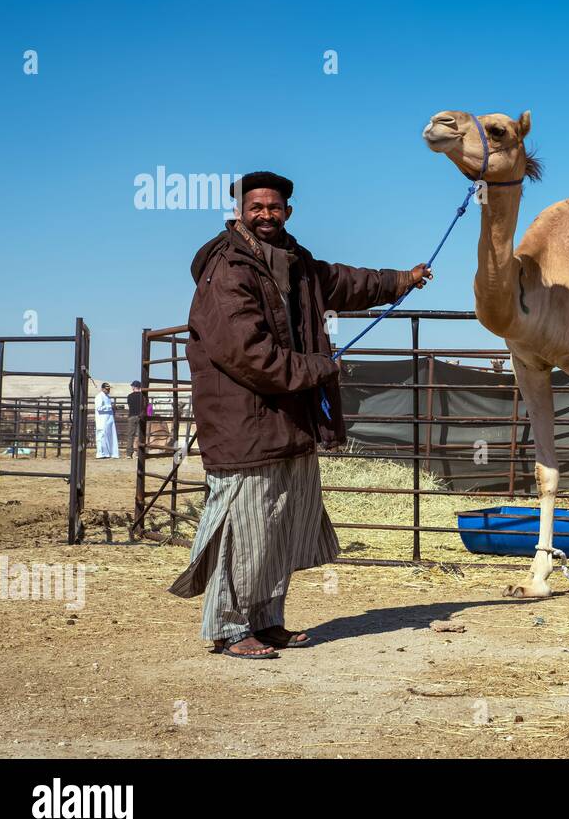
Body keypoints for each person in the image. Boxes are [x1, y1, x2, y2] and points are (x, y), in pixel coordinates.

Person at [169, 171, 432, 660]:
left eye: (274, 207)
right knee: (244, 527)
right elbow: (248, 354)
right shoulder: (227, 270)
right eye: (257, 207)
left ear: (288, 212)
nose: (266, 214)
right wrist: (319, 367)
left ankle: (266, 621)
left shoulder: (297, 262)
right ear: (240, 212)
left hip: (287, 418)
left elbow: (347, 282)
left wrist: (402, 280)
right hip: (243, 422)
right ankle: (229, 628)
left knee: (278, 527)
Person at [94, 383, 119, 459]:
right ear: (102, 389)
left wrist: (113, 408)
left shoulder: (107, 397)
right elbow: (99, 408)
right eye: (107, 389)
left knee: (108, 436)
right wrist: (110, 407)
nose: (108, 390)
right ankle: (101, 453)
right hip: (102, 420)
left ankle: (107, 453)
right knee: (101, 436)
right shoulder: (99, 396)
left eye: (109, 389)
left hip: (108, 420)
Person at [125, 381, 144, 459]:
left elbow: (129, 405)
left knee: (130, 435)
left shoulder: (129, 396)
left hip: (132, 416)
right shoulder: (143, 396)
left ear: (134, 387)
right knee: (140, 435)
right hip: (140, 417)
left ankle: (129, 454)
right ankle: (138, 453)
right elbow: (146, 406)